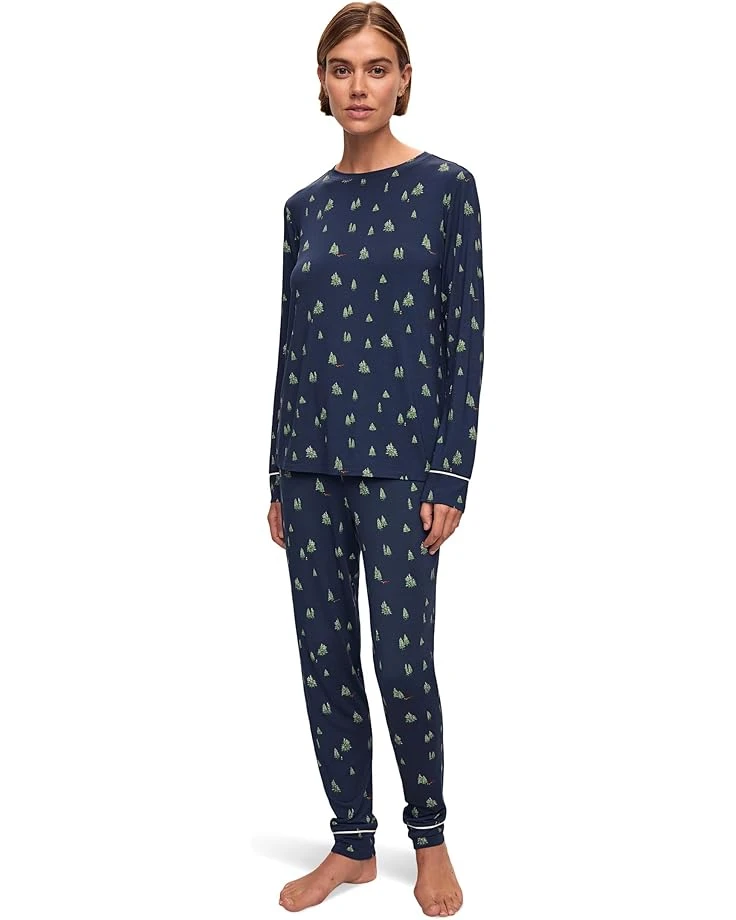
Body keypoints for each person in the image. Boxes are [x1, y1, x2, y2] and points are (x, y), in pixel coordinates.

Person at [266, 3, 484, 915]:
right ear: (322, 83)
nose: (360, 85)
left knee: (402, 665)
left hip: (403, 472)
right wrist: (277, 471)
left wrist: (451, 473)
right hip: (310, 467)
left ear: (404, 79)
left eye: (377, 67)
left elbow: (464, 338)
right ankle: (352, 844)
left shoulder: (447, 189)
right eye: (342, 68)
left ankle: (428, 838)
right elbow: (291, 343)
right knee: (324, 660)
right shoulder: (304, 207)